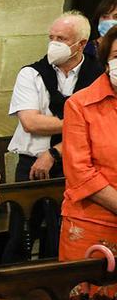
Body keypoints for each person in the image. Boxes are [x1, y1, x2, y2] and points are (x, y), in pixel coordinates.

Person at [9, 12, 105, 182]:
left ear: (81, 44)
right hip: (31, 164)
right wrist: (83, 123)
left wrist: (54, 153)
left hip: (81, 164)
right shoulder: (31, 74)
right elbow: (31, 122)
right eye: (51, 38)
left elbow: (103, 127)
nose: (54, 44)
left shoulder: (99, 76)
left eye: (61, 39)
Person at [59, 25, 117, 261]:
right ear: (106, 63)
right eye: (116, 56)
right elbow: (80, 173)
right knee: (91, 297)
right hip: (94, 223)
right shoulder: (79, 105)